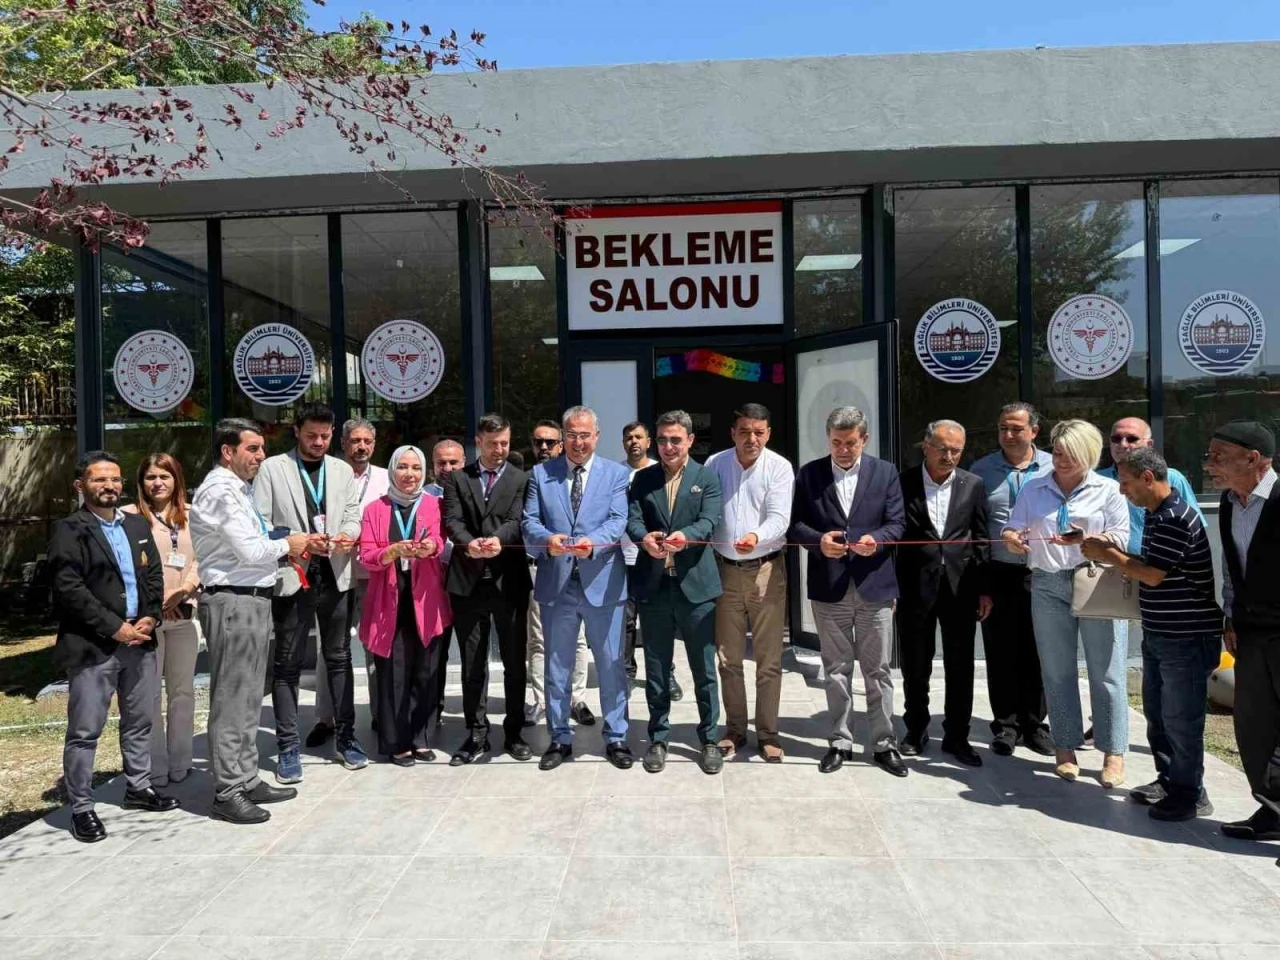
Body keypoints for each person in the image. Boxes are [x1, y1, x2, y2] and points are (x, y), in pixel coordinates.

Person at [1080, 447, 1221, 821]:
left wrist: (1108, 554)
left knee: (1181, 719)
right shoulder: (1156, 514)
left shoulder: (1174, 517)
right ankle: (1170, 780)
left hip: (1186, 636)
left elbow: (1152, 574)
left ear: (1147, 478)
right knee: (1159, 715)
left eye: (1126, 483)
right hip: (1161, 632)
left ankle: (1190, 795)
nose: (1122, 491)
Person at [48, 451, 178, 843]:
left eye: (115, 479)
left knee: (140, 721)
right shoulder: (69, 529)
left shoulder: (136, 523)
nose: (109, 486)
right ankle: (81, 808)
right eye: (99, 479)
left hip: (140, 640)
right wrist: (115, 628)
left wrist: (151, 616)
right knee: (85, 730)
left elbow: (152, 575)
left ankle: (138, 787)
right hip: (94, 646)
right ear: (80, 485)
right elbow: (69, 589)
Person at [191, 419, 309, 824]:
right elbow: (251, 550)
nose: (261, 456)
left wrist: (282, 540)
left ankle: (245, 776)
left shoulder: (238, 489)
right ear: (228, 452)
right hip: (233, 600)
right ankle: (227, 791)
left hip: (252, 599)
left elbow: (256, 541)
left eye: (261, 448)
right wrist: (290, 543)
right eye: (253, 448)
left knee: (249, 696)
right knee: (232, 697)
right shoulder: (220, 491)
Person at [1003, 418, 1130, 786]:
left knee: (1106, 672)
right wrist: (1012, 538)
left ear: (1088, 455)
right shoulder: (1034, 487)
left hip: (1095, 581)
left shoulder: (1108, 489)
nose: (1060, 460)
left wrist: (1086, 539)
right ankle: (1065, 749)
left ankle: (1113, 752)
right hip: (1047, 583)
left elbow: (1121, 537)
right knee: (1057, 671)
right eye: (1057, 453)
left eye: (1069, 455)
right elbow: (1012, 526)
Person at [254, 402, 367, 782]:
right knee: (287, 664)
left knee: (339, 658)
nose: (318, 442)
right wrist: (297, 540)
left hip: (336, 575)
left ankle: (346, 738)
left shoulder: (341, 470)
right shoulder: (273, 468)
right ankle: (288, 746)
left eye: (324, 436)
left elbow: (353, 515)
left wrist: (346, 535)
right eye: (311, 436)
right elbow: (261, 522)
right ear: (296, 432)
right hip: (293, 576)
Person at [792, 406, 907, 778]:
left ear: (865, 439)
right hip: (829, 586)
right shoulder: (810, 474)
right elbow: (796, 525)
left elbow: (897, 523)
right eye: (836, 442)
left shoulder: (885, 472)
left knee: (878, 671)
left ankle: (884, 744)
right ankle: (840, 742)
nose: (843, 450)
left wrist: (878, 539)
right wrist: (818, 541)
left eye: (851, 443)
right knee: (836, 670)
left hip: (875, 586)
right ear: (828, 439)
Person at [522, 406, 634, 770]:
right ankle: (559, 737)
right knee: (557, 665)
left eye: (585, 435)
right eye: (571, 435)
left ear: (596, 436)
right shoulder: (541, 474)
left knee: (611, 664)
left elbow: (618, 519)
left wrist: (593, 543)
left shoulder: (616, 474)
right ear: (562, 438)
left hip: (602, 582)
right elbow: (529, 521)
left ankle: (616, 736)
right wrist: (546, 539)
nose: (578, 442)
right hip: (557, 583)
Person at [627, 409, 725, 775]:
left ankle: (709, 738)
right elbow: (633, 518)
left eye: (676, 440)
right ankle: (659, 737)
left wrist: (688, 536)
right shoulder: (643, 478)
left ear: (690, 441)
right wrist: (644, 538)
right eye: (663, 440)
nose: (668, 446)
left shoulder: (707, 477)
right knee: (656, 667)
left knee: (704, 668)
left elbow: (710, 520)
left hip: (696, 586)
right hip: (655, 586)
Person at [896, 420, 992, 767]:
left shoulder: (972, 484)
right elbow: (893, 534)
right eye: (942, 449)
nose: (948, 456)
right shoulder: (903, 482)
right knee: (915, 664)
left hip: (960, 587)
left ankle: (957, 737)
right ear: (926, 446)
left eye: (955, 450)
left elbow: (982, 539)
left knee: (960, 665)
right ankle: (915, 729)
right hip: (914, 587)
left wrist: (984, 590)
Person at [1204, 420, 1280, 845]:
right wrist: (1230, 618)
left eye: (1219, 457)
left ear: (1253, 459)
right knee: (1254, 726)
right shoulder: (1230, 502)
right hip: (1249, 632)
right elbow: (1233, 568)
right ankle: (1272, 811)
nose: (1209, 465)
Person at [441, 413, 533, 764]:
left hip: (508, 580)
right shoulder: (458, 478)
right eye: (493, 444)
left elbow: (517, 519)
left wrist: (496, 540)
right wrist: (469, 544)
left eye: (505, 443)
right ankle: (476, 733)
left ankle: (514, 732)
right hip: (467, 581)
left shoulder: (520, 478)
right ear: (478, 442)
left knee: (514, 662)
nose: (500, 450)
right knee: (472, 663)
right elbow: (451, 519)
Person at [705, 403, 794, 762]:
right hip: (724, 570)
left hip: (765, 571)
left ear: (768, 433)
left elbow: (780, 518)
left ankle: (768, 734)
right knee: (728, 658)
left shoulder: (779, 467)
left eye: (758, 432)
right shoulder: (715, 464)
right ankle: (735, 730)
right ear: (733, 433)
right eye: (744, 431)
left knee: (768, 660)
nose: (751, 439)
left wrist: (756, 536)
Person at [970, 402, 1054, 757]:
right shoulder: (981, 470)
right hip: (999, 572)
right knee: (1001, 651)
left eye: (1017, 429)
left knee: (1041, 650)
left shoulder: (1054, 466)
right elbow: (975, 528)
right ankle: (1006, 724)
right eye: (1003, 428)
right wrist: (981, 583)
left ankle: (1035, 724)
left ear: (1034, 431)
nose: (1008, 434)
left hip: (1044, 572)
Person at [358, 445, 451, 764]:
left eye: (415, 468)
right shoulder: (375, 509)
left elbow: (440, 541)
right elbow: (366, 555)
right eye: (402, 467)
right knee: (393, 673)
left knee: (426, 670)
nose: (409, 474)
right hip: (389, 599)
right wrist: (391, 552)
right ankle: (397, 742)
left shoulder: (435, 505)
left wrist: (431, 546)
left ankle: (420, 738)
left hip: (427, 599)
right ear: (392, 470)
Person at [309, 417, 389, 748]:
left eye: (367, 441)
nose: (361, 447)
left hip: (373, 575)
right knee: (330, 648)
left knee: (375, 645)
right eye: (355, 441)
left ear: (374, 444)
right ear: (342, 443)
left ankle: (380, 713)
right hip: (335, 572)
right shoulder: (327, 474)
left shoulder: (386, 478)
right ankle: (325, 718)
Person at [123, 453, 201, 788]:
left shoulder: (193, 515)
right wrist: (156, 602)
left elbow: (202, 558)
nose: (157, 483)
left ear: (176, 480)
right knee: (150, 694)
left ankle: (181, 760)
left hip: (184, 614)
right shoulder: (127, 517)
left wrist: (184, 590)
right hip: (147, 619)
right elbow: (126, 565)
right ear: (141, 482)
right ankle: (154, 766)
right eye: (151, 477)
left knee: (183, 692)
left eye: (164, 476)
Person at [524, 418, 593, 728]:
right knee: (539, 639)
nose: (544, 447)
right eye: (538, 442)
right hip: (540, 566)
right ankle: (542, 700)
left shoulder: (575, 476)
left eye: (550, 442)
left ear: (562, 444)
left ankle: (577, 698)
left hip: (578, 568)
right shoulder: (531, 478)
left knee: (578, 638)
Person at [621, 421, 675, 696]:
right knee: (626, 622)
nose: (633, 442)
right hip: (624, 558)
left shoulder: (660, 471)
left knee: (660, 621)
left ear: (648, 442)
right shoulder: (616, 473)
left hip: (656, 559)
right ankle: (627, 673)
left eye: (638, 437)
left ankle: (667, 674)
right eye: (629, 438)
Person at [427, 438, 463, 724]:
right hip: (433, 584)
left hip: (466, 580)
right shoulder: (422, 496)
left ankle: (474, 716)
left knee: (472, 653)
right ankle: (432, 710)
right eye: (442, 463)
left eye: (453, 462)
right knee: (434, 653)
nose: (447, 468)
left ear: (464, 463)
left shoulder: (473, 491)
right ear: (433, 466)